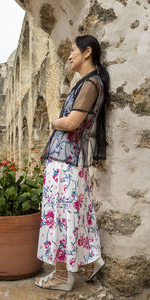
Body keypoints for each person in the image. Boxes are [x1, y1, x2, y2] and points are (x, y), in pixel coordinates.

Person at [35, 35, 110, 291]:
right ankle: (91, 261)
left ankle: (60, 277)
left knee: (60, 218)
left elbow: (71, 123)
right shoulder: (87, 83)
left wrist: (53, 122)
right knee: (76, 215)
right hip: (70, 162)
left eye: (72, 51)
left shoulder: (90, 84)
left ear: (87, 52)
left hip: (66, 163)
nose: (69, 56)